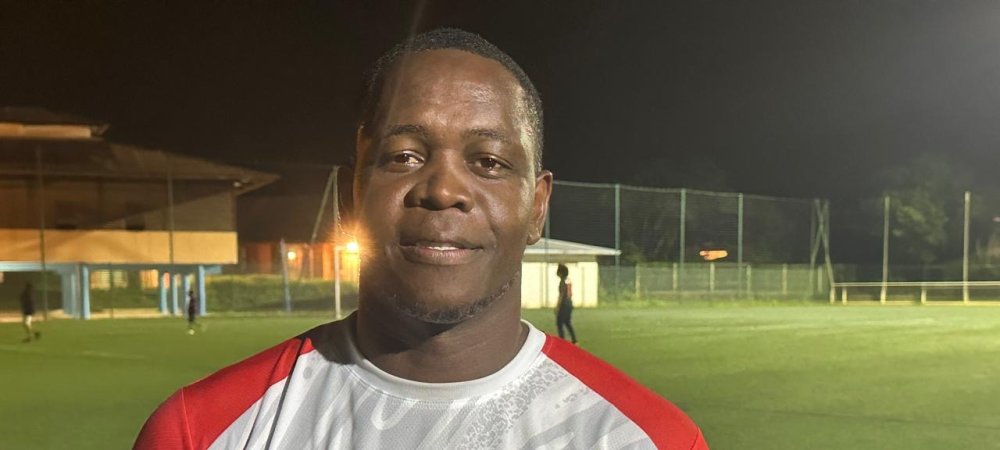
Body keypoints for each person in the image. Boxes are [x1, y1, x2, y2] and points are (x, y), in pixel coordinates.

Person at [136, 28, 707, 449]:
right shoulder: (200, 433)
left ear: (537, 206)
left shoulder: (648, 439)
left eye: (488, 161)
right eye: (403, 156)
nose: (442, 190)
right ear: (350, 198)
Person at [555, 264, 577, 343]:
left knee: (559, 323)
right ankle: (574, 340)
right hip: (569, 303)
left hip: (564, 305)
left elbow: (561, 295)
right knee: (567, 322)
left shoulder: (562, 282)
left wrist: (557, 307)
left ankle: (562, 340)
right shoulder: (568, 280)